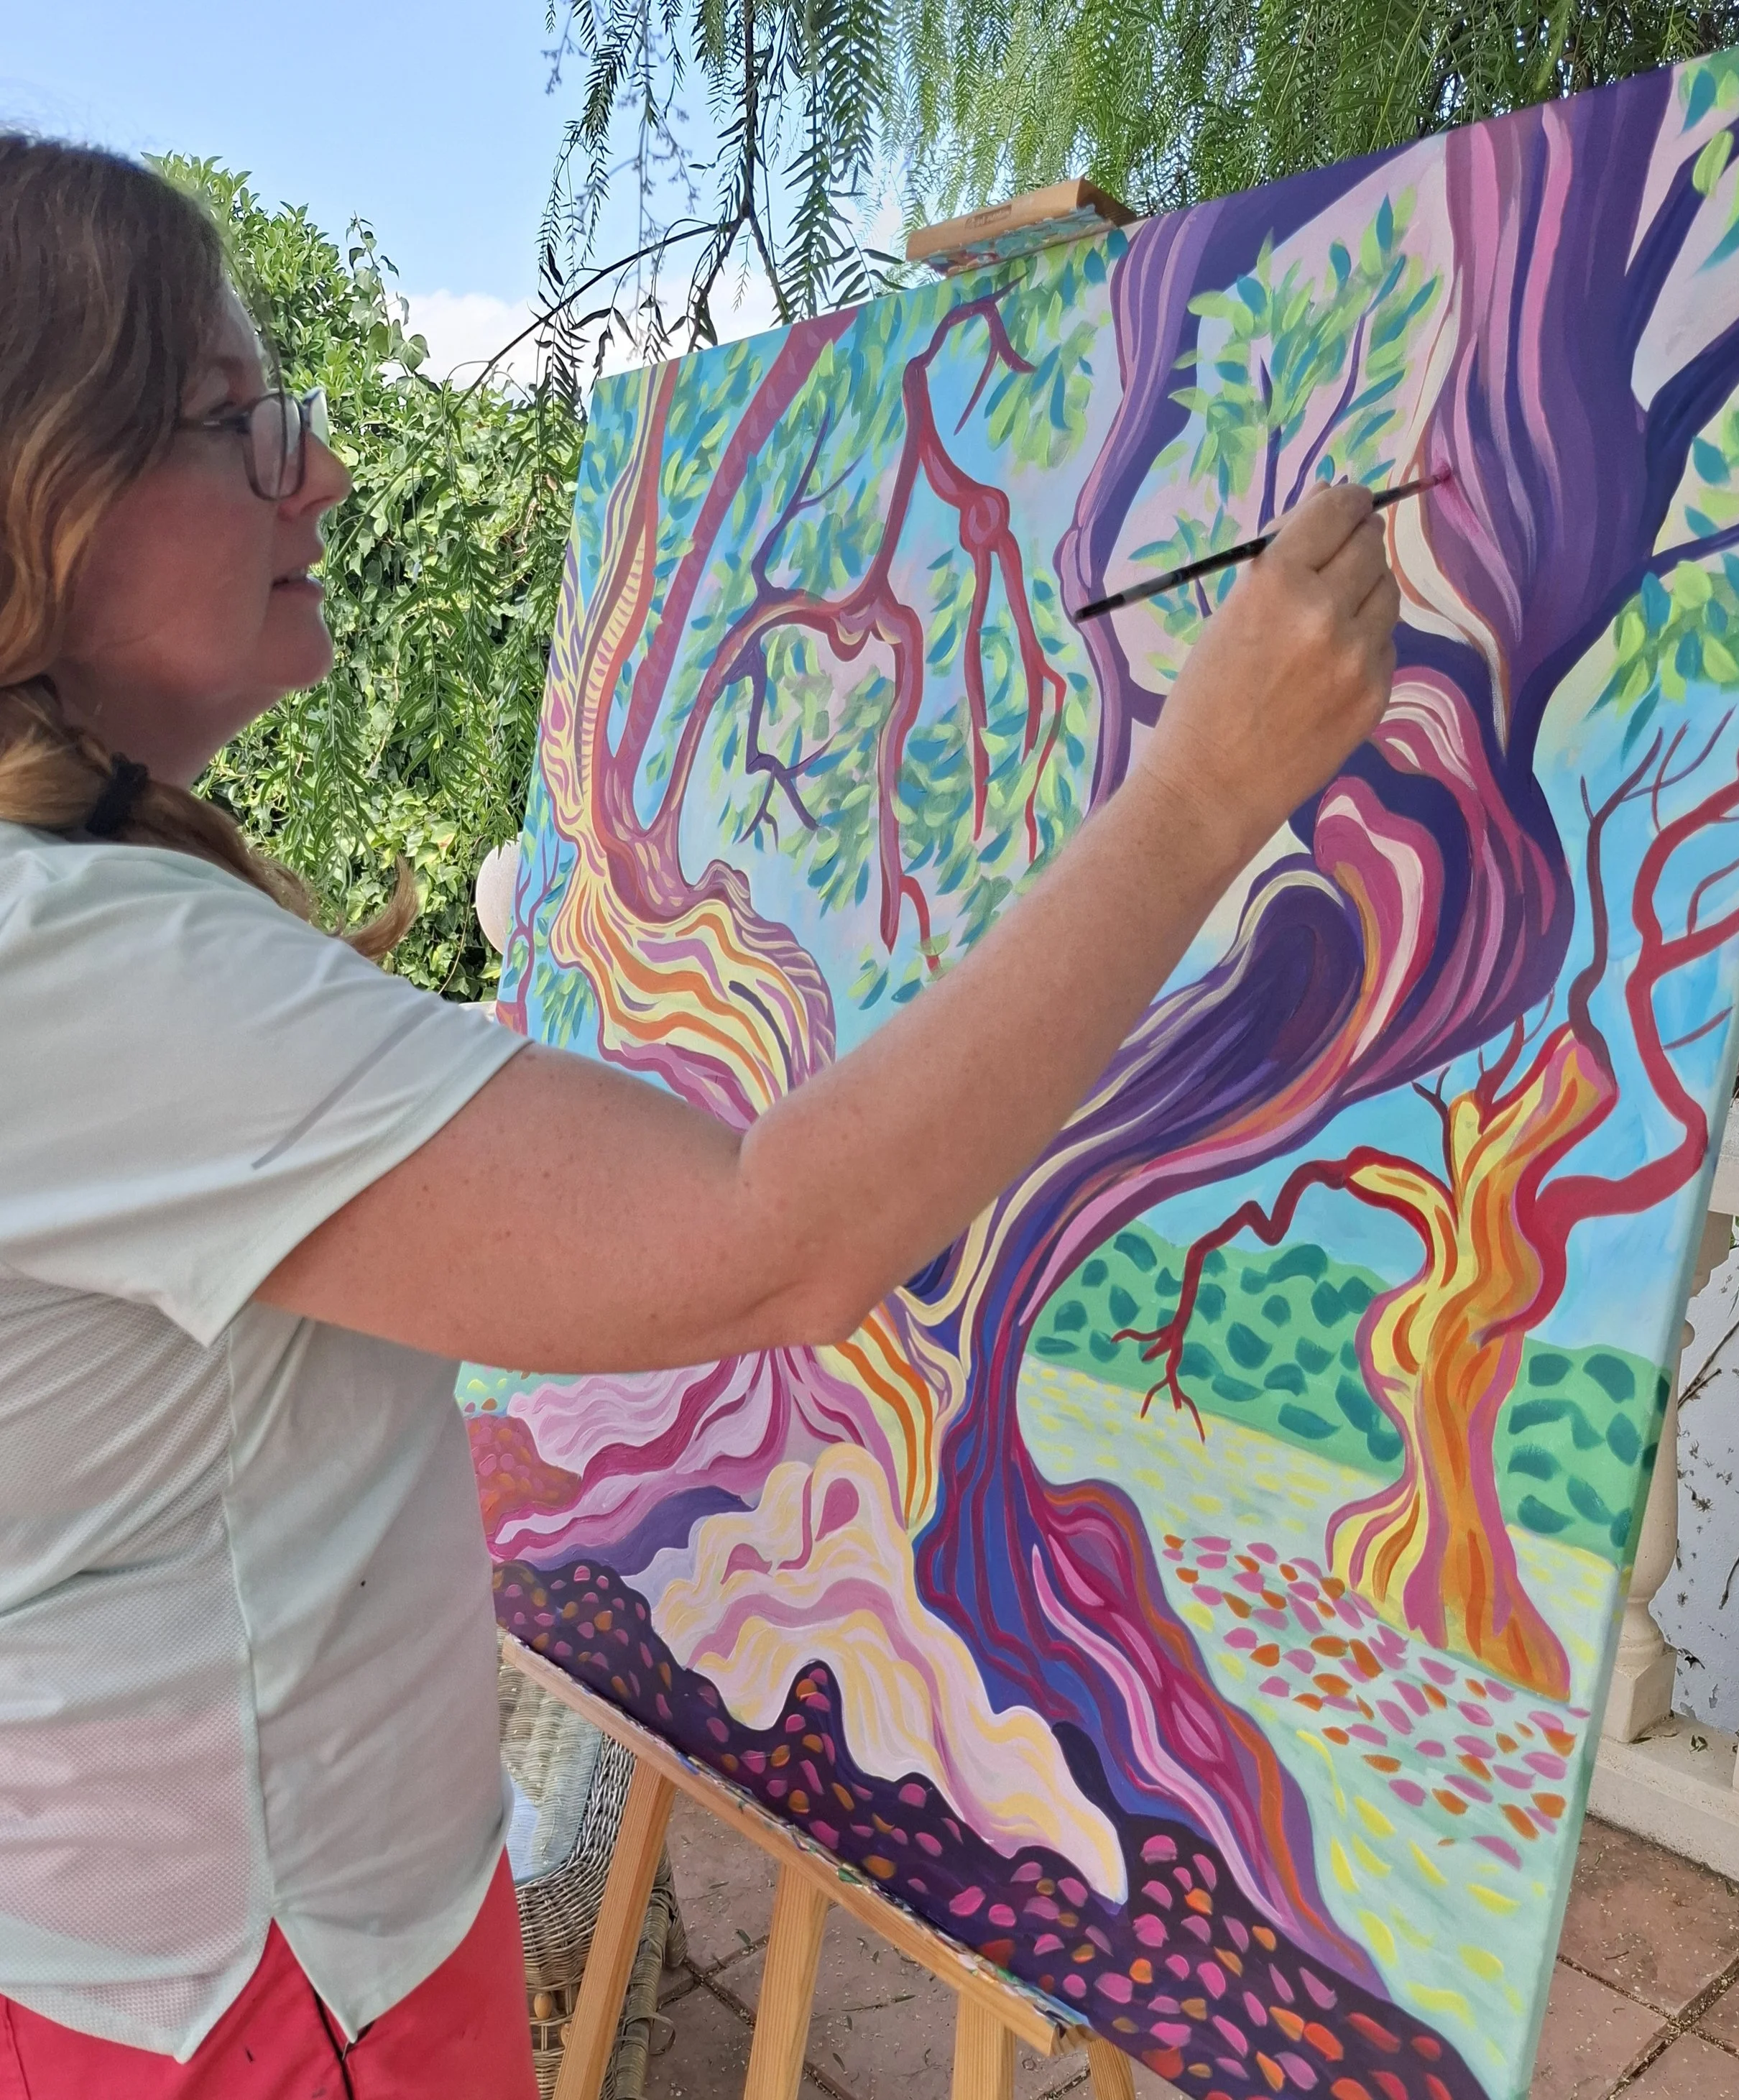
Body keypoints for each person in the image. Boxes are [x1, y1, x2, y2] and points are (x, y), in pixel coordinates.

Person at [0, 135, 1401, 2100]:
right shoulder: (82, 964)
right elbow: (772, 1238)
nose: (311, 471)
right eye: (233, 422)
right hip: (260, 2003)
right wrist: (1193, 801)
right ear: (36, 501)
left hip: (150, 1949)